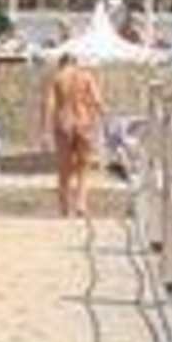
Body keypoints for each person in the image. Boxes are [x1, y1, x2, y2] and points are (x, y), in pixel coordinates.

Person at [43, 52, 107, 219]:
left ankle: (64, 207)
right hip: (84, 122)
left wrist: (46, 130)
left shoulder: (57, 78)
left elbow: (50, 104)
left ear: (61, 63)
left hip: (64, 123)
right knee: (83, 167)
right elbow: (97, 101)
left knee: (64, 168)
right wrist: (100, 117)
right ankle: (81, 204)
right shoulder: (86, 76)